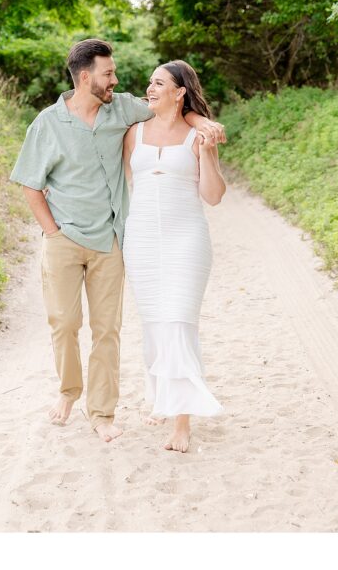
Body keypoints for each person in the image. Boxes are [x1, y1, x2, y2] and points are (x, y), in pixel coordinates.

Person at [9, 39, 226, 443]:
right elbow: (29, 184)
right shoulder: (49, 123)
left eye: (116, 73)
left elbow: (176, 109)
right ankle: (69, 392)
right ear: (86, 76)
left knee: (110, 328)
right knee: (66, 323)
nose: (118, 80)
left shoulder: (121, 109)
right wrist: (52, 232)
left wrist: (201, 125)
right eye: (108, 73)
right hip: (72, 237)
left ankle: (104, 413)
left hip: (112, 239)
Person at [122, 59, 226, 454]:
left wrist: (209, 151)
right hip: (143, 237)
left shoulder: (197, 136)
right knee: (154, 325)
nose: (150, 89)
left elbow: (214, 196)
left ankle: (182, 421)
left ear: (180, 91)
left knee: (178, 322)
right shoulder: (133, 133)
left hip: (187, 237)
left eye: (159, 83)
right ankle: (164, 397)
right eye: (149, 82)